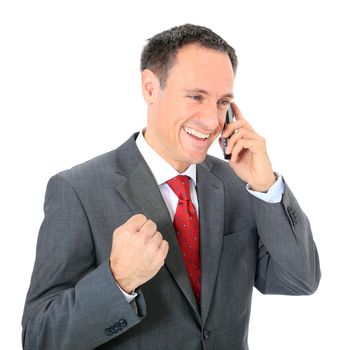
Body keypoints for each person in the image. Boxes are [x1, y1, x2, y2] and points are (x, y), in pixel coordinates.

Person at [22, 24, 321, 350]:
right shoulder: (78, 191)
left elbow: (300, 280)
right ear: (150, 88)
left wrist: (266, 186)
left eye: (223, 102)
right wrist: (118, 280)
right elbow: (40, 338)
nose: (211, 121)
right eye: (196, 97)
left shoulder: (239, 186)